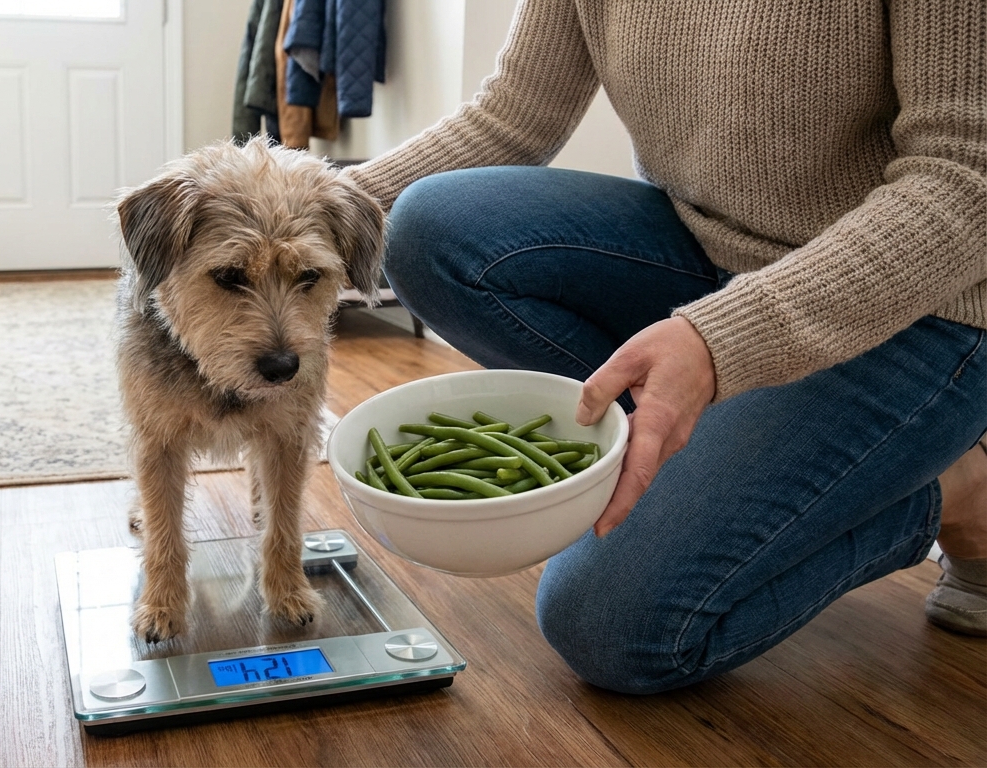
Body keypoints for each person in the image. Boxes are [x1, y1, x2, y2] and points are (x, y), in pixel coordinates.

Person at [342, 0, 987, 693]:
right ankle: (708, 461)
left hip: (919, 308)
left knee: (608, 624)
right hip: (704, 257)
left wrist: (721, 339)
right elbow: (512, 115)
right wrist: (305, 208)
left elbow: (968, 179)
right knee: (431, 231)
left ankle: (960, 494)